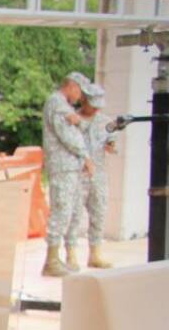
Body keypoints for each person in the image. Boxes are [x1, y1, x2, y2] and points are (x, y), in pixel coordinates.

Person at [41, 71, 94, 277]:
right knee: (61, 210)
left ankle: (56, 258)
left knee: (70, 210)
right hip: (62, 167)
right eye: (80, 92)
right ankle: (51, 261)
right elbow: (68, 136)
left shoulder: (63, 105)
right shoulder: (57, 103)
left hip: (69, 167)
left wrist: (79, 122)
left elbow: (78, 128)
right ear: (71, 86)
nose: (80, 98)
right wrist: (85, 156)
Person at [64, 84, 116, 271]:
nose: (96, 108)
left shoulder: (105, 121)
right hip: (78, 174)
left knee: (99, 213)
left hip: (98, 174)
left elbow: (111, 141)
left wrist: (111, 144)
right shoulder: (71, 119)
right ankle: (70, 253)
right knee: (75, 215)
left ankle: (95, 254)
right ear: (84, 99)